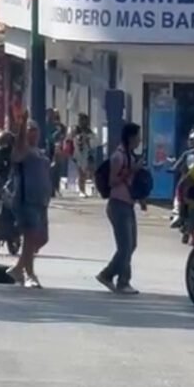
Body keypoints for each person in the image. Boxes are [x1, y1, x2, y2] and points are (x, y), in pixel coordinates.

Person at [96, 122, 147, 295]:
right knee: (125, 246)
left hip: (128, 204)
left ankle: (114, 277)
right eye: (138, 136)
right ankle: (118, 279)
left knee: (131, 245)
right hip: (117, 204)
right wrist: (132, 170)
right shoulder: (118, 157)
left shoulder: (130, 156)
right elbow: (112, 182)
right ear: (131, 137)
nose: (140, 140)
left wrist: (141, 199)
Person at [7, 112, 52, 288]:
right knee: (30, 237)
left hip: (42, 201)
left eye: (35, 130)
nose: (33, 133)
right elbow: (19, 147)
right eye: (29, 130)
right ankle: (29, 273)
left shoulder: (40, 152)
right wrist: (22, 123)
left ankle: (19, 267)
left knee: (41, 238)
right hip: (27, 199)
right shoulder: (22, 151)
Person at [70, 113, 95, 197]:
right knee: (81, 172)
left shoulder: (88, 130)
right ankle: (82, 190)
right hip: (77, 153)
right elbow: (71, 138)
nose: (81, 121)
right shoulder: (75, 129)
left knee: (87, 171)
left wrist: (88, 138)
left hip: (86, 153)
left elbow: (93, 139)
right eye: (80, 120)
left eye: (83, 119)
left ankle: (86, 188)